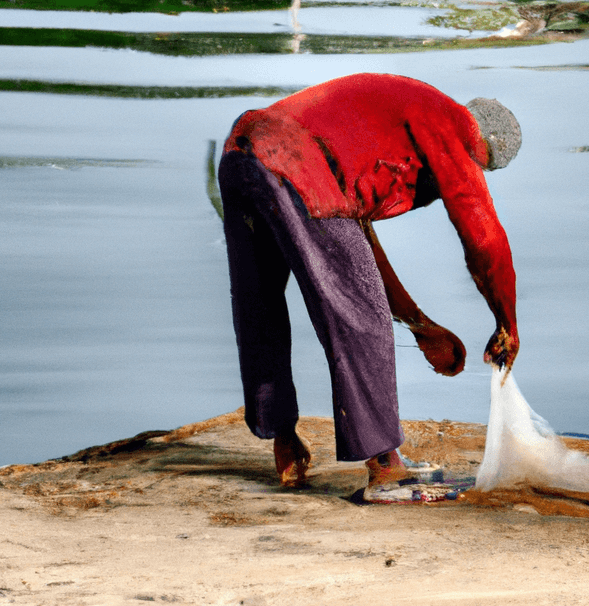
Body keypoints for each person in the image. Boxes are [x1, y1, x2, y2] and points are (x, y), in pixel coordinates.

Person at [217, 73, 521, 496]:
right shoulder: (452, 127)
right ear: (482, 148)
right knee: (364, 319)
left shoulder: (401, 116)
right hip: (298, 165)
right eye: (480, 166)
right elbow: (482, 233)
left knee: (259, 303)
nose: (474, 171)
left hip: (242, 155)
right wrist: (506, 321)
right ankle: (385, 468)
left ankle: (283, 439)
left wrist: (419, 324)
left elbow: (354, 238)